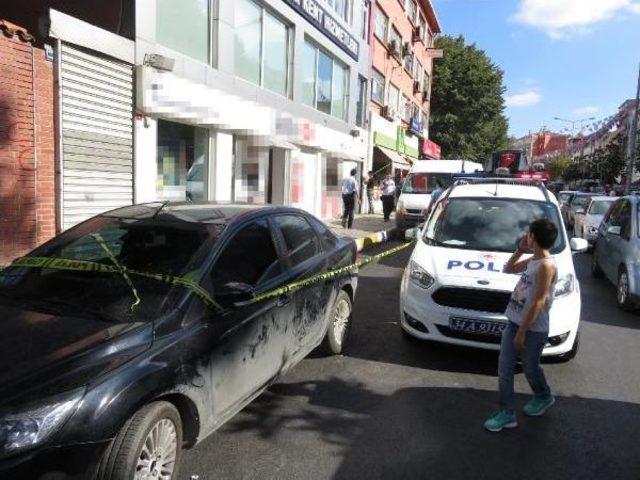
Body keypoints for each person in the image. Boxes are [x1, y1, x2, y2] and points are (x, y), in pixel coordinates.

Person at [484, 219, 559, 433]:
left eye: (529, 234)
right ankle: (507, 413)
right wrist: (519, 250)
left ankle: (543, 395)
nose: (526, 236)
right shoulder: (533, 260)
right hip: (514, 323)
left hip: (533, 330)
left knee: (530, 367)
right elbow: (508, 269)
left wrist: (522, 333)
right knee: (504, 369)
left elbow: (539, 302)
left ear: (533, 237)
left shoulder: (546, 265)